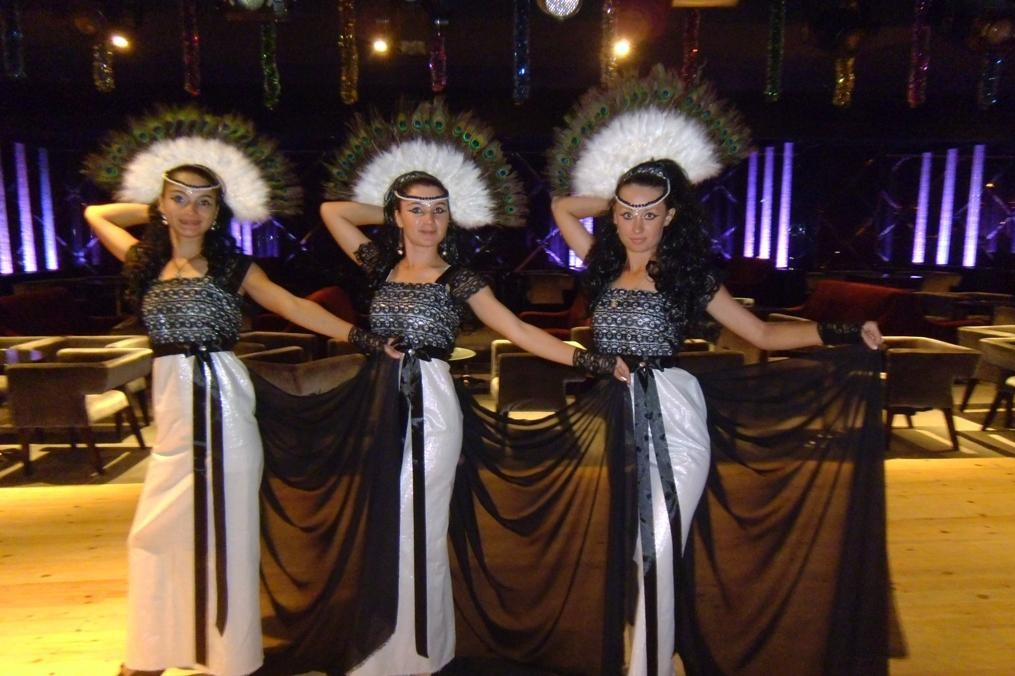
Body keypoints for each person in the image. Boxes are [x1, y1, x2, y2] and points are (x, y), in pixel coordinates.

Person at [83, 109, 388, 676]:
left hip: (222, 400)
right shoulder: (144, 261)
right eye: (180, 199)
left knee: (227, 536)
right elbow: (95, 212)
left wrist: (361, 337)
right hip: (174, 412)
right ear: (161, 204)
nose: (192, 210)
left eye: (205, 202)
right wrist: (157, 200)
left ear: (218, 212)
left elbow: (292, 305)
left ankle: (228, 657)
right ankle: (155, 649)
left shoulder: (231, 267)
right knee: (154, 534)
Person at [551, 157, 882, 675]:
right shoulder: (602, 266)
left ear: (671, 217)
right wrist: (623, 197)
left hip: (674, 425)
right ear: (612, 215)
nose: (637, 227)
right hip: (620, 424)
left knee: (657, 554)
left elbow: (762, 334)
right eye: (627, 214)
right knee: (638, 557)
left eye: (651, 215)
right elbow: (562, 207)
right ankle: (652, 659)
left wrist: (840, 332)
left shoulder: (687, 277)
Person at [315, 169, 627, 675]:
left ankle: (414, 655)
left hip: (433, 411)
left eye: (439, 210)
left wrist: (591, 360)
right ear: (396, 216)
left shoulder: (459, 277)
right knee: (388, 527)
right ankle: (398, 647)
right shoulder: (380, 265)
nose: (429, 220)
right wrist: (396, 207)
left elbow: (518, 329)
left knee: (419, 527)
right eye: (416, 210)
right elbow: (332, 211)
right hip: (381, 405)